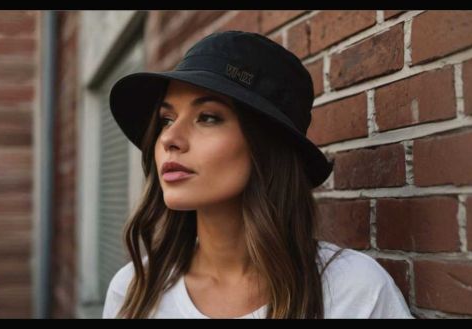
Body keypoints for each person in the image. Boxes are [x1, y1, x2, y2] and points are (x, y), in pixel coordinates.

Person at [102, 30, 411, 319]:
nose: (169, 138)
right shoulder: (135, 290)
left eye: (208, 117)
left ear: (265, 145)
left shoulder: (354, 291)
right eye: (167, 119)